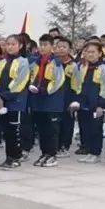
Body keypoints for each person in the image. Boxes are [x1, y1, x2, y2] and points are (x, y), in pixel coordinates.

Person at [0, 34, 31, 169]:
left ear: (20, 46)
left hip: (16, 101)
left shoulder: (23, 62)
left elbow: (20, 83)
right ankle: (9, 157)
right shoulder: (1, 62)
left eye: (13, 44)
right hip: (1, 102)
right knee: (6, 130)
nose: (10, 46)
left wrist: (3, 97)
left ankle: (15, 158)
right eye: (8, 44)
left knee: (14, 131)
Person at [70, 41, 105, 163]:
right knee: (85, 128)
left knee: (96, 129)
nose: (90, 54)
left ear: (100, 53)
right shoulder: (82, 67)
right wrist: (77, 102)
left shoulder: (104, 68)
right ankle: (88, 151)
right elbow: (78, 85)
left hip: (96, 105)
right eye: (87, 52)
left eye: (93, 52)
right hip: (83, 104)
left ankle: (96, 153)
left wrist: (101, 105)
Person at [28, 35, 66, 167]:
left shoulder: (56, 62)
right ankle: (44, 153)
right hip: (38, 102)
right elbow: (32, 77)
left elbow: (58, 81)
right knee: (42, 129)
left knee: (52, 130)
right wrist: (33, 87)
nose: (42, 47)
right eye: (41, 45)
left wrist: (44, 90)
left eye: (46, 45)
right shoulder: (35, 62)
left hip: (52, 102)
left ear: (52, 47)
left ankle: (52, 155)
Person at [54, 37, 79, 157]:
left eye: (64, 47)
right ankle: (55, 145)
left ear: (69, 49)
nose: (61, 49)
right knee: (55, 122)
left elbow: (76, 84)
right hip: (54, 97)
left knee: (67, 122)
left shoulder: (73, 65)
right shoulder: (52, 63)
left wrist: (75, 100)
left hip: (68, 97)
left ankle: (64, 146)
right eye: (58, 46)